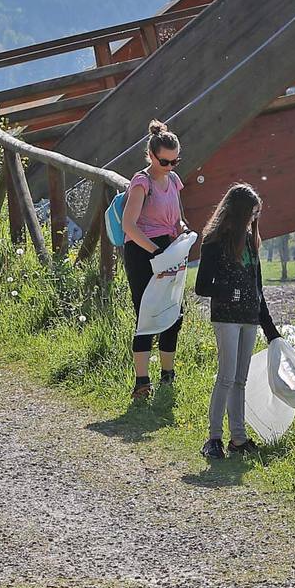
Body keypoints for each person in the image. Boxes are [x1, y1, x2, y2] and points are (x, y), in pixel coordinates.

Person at [193, 183, 282, 460]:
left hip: (249, 318)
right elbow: (201, 286)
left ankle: (239, 439)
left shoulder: (251, 243)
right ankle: (213, 438)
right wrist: (228, 291)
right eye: (252, 213)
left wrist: (271, 330)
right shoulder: (214, 242)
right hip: (226, 318)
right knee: (226, 377)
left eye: (258, 214)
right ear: (240, 211)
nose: (255, 218)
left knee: (240, 380)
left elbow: (258, 289)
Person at [121, 120, 187, 400]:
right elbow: (129, 225)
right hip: (143, 252)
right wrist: (154, 250)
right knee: (147, 316)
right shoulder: (141, 182)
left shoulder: (172, 179)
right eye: (164, 161)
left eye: (175, 161)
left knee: (175, 314)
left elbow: (177, 216)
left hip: (169, 250)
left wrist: (183, 229)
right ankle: (141, 382)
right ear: (150, 155)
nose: (170, 166)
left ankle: (167, 377)